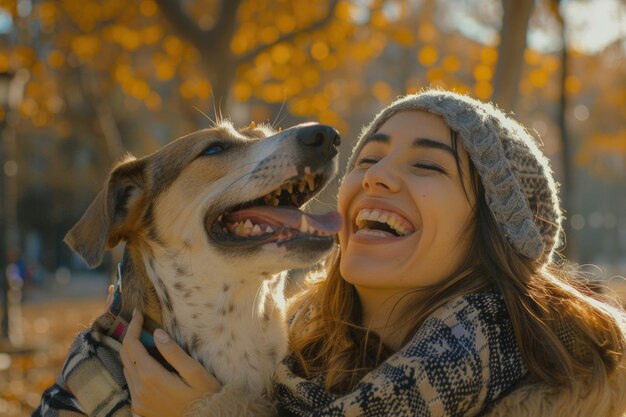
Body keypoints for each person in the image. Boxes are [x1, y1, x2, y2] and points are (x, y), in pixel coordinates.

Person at [82, 90, 626, 416]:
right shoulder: (293, 370)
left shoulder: (562, 394)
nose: (377, 177)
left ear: (492, 233)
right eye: (368, 159)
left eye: (428, 165)